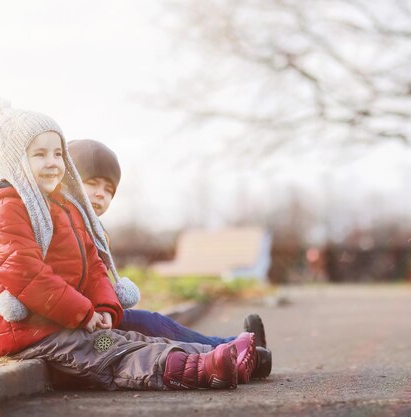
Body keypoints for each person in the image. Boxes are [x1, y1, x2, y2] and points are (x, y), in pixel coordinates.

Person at [0, 97, 258, 390]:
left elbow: (93, 266)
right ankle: (201, 368)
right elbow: (26, 275)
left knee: (126, 339)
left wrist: (105, 308)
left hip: (72, 324)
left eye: (58, 153)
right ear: (14, 160)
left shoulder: (63, 209)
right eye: (40, 155)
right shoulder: (4, 211)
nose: (53, 162)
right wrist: (83, 312)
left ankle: (224, 356)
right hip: (34, 334)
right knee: (112, 351)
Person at [67, 139, 272, 378]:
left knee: (154, 323)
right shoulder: (62, 226)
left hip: (100, 318)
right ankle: (232, 355)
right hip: (84, 331)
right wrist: (89, 312)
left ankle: (234, 346)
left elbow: (98, 279)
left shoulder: (94, 230)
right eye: (92, 183)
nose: (101, 194)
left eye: (109, 190)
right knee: (144, 338)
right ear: (69, 180)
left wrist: (107, 308)